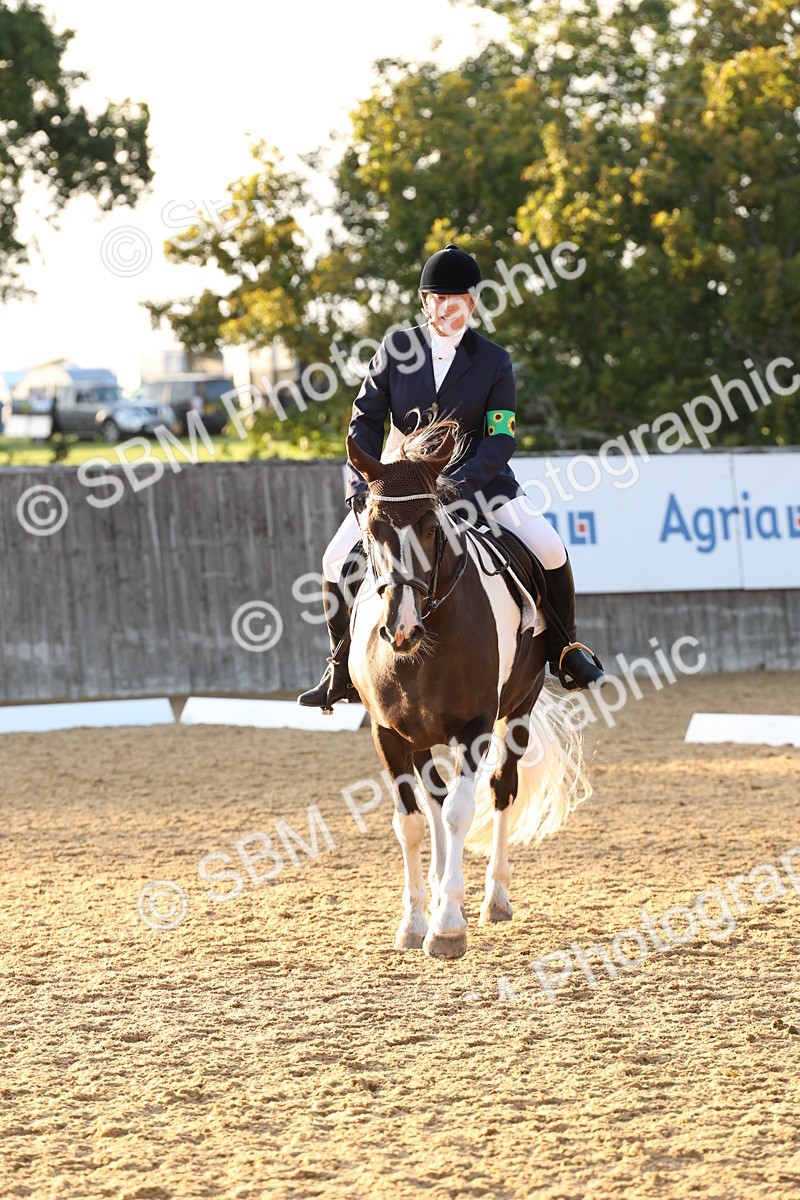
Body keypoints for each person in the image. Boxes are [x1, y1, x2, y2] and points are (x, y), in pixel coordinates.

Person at [298, 243, 605, 711]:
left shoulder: (494, 361)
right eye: (437, 300)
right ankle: (339, 669)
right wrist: (362, 489)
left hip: (479, 485)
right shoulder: (396, 350)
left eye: (456, 299)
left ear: (473, 302)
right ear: (425, 302)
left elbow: (500, 438)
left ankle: (566, 651)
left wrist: (454, 487)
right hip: (398, 489)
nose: (447, 308)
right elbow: (363, 422)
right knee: (334, 559)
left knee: (549, 547)